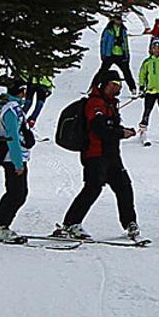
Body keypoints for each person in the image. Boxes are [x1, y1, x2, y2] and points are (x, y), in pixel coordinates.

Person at [54, 70, 140, 241]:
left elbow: (109, 128)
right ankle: (71, 223)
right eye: (113, 85)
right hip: (95, 154)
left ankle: (130, 222)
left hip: (111, 155)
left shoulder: (110, 104)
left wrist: (120, 132)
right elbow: (99, 129)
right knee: (92, 189)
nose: (117, 88)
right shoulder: (95, 104)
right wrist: (121, 133)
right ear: (103, 85)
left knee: (124, 187)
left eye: (119, 85)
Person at [0, 81, 34, 243]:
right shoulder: (11, 110)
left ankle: (1, 225)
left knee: (19, 193)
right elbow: (11, 136)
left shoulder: (13, 108)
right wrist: (18, 163)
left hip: (17, 156)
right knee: (16, 193)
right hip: (12, 158)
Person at [93, 16, 137, 91]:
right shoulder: (108, 30)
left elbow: (126, 43)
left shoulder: (123, 30)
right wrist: (103, 54)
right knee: (102, 71)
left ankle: (133, 88)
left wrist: (127, 55)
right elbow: (104, 42)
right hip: (110, 54)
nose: (119, 22)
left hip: (121, 55)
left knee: (127, 72)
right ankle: (94, 86)